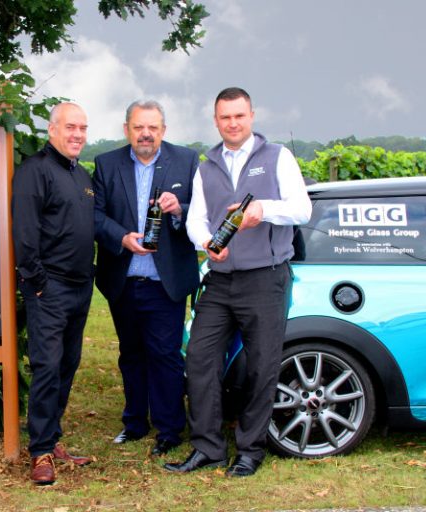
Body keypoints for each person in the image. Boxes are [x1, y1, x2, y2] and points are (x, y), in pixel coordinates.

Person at [164, 87, 312, 477]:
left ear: (252, 116)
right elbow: (197, 217)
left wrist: (262, 210)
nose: (232, 123)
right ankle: (208, 447)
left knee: (261, 367)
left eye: (239, 116)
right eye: (225, 117)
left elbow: (302, 208)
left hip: (266, 278)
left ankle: (250, 450)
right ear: (216, 120)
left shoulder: (278, 157)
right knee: (199, 359)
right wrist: (205, 242)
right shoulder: (207, 165)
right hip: (219, 279)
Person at [93, 100, 200, 456]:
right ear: (127, 129)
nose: (146, 133)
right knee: (131, 355)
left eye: (153, 127)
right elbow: (95, 216)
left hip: (165, 282)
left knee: (166, 355)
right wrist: (121, 237)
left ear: (164, 131)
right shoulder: (107, 165)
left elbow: (200, 215)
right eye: (139, 126)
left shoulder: (186, 161)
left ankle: (170, 430)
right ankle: (135, 423)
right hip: (123, 280)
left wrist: (178, 210)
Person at [12, 102, 96, 485]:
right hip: (50, 289)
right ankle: (40, 452)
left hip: (80, 288)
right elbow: (25, 237)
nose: (77, 134)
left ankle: (53, 438)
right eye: (70, 127)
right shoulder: (35, 171)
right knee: (47, 367)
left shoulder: (80, 174)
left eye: (82, 128)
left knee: (67, 365)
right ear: (52, 130)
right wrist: (41, 283)